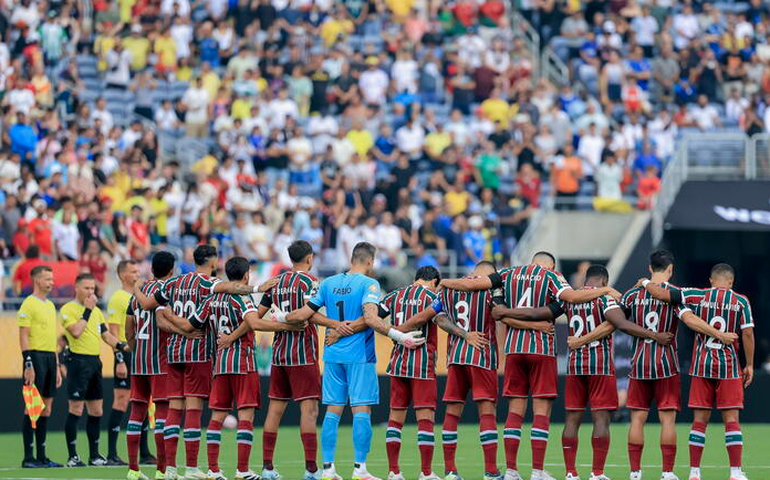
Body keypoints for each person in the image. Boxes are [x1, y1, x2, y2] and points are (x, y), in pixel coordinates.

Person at [439, 252, 621, 480]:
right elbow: (572, 298)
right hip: (541, 349)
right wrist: (605, 290)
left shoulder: (506, 273)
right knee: (541, 411)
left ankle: (512, 471)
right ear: (551, 265)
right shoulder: (551, 276)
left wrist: (444, 281)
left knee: (515, 411)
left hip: (514, 349)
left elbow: (488, 298)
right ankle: (536, 471)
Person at [499, 265, 674, 480]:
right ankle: (596, 473)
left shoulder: (569, 299)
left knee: (572, 419)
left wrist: (506, 312)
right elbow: (620, 323)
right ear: (604, 281)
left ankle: (571, 473)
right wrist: (654, 335)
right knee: (601, 419)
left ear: (586, 280)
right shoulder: (605, 299)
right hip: (599, 365)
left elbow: (540, 312)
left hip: (574, 366)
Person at [134, 245, 277, 480]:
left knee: (173, 410)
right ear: (212, 261)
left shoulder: (173, 283)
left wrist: (136, 289)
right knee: (193, 410)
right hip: (199, 353)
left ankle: (169, 469)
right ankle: (191, 468)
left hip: (172, 352)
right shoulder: (208, 283)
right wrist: (257, 288)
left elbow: (149, 306)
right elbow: (231, 287)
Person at [285, 242, 425, 480]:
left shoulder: (328, 283)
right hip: (359, 355)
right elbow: (371, 318)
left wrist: (330, 325)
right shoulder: (369, 283)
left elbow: (306, 314)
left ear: (352, 259)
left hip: (332, 355)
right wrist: (399, 336)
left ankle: (328, 469)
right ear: (369, 261)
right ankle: (360, 469)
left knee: (332, 411)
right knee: (361, 411)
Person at [164, 256, 308, 480]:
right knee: (245, 417)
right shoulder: (242, 299)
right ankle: (242, 470)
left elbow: (189, 324)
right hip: (242, 362)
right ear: (246, 276)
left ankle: (213, 470)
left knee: (217, 417)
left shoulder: (211, 299)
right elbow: (256, 323)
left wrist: (168, 314)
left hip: (220, 364)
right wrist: (287, 325)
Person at [218, 240, 333, 480]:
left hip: (279, 354)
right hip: (303, 353)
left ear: (291, 259)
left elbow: (255, 317)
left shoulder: (276, 283)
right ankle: (311, 470)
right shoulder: (311, 283)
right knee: (309, 411)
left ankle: (268, 468)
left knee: (274, 411)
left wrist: (230, 337)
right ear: (310, 258)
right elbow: (311, 316)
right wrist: (336, 325)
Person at [621, 251, 738, 480]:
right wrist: (719, 334)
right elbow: (690, 320)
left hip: (639, 364)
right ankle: (667, 472)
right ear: (671, 269)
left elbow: (617, 320)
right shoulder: (673, 295)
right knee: (667, 419)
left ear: (649, 268)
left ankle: (635, 473)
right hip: (666, 364)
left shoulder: (632, 294)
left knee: (637, 418)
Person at [641, 264, 755, 480]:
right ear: (731, 282)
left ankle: (694, 472)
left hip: (701, 365)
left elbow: (663, 294)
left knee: (700, 420)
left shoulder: (697, 294)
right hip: (728, 367)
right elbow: (747, 334)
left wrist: (646, 282)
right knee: (731, 419)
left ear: (711, 280)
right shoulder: (740, 301)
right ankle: (735, 472)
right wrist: (749, 364)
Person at [377, 266, 490, 480]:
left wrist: (393, 331)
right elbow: (440, 320)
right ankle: (426, 473)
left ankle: (393, 471)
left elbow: (374, 316)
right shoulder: (432, 296)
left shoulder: (395, 295)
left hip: (397, 361)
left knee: (395, 419)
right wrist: (465, 334)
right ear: (435, 281)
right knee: (425, 419)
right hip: (421, 363)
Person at [124, 252, 183, 480]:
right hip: (161, 362)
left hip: (139, 361)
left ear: (152, 269)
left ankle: (133, 469)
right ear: (171, 270)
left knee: (136, 412)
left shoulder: (137, 295)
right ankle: (161, 470)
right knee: (163, 415)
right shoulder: (169, 291)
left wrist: (135, 348)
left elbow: (128, 328)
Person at [61, 273, 129, 467]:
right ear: (76, 288)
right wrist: (87, 311)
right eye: (86, 288)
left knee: (97, 410)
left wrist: (124, 346)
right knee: (76, 408)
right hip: (77, 363)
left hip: (94, 362)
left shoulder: (97, 312)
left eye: (92, 288)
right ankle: (73, 456)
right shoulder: (68, 309)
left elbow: (106, 336)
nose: (90, 292)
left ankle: (94, 455)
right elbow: (75, 332)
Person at [106, 260, 153, 466]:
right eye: (133, 271)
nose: (137, 274)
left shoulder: (138, 296)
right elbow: (114, 333)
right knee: (121, 401)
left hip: (140, 354)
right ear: (123, 275)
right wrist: (119, 360)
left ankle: (144, 451)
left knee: (142, 400)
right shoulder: (118, 298)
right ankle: (111, 453)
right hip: (125, 354)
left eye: (137, 270)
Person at [18, 265, 63, 468]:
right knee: (32, 408)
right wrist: (28, 363)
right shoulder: (28, 304)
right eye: (48, 279)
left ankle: (42, 457)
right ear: (37, 280)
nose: (51, 283)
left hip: (49, 358)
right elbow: (23, 335)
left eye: (52, 279)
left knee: (46, 409)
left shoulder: (51, 305)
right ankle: (29, 458)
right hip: (34, 357)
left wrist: (57, 364)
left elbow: (52, 338)